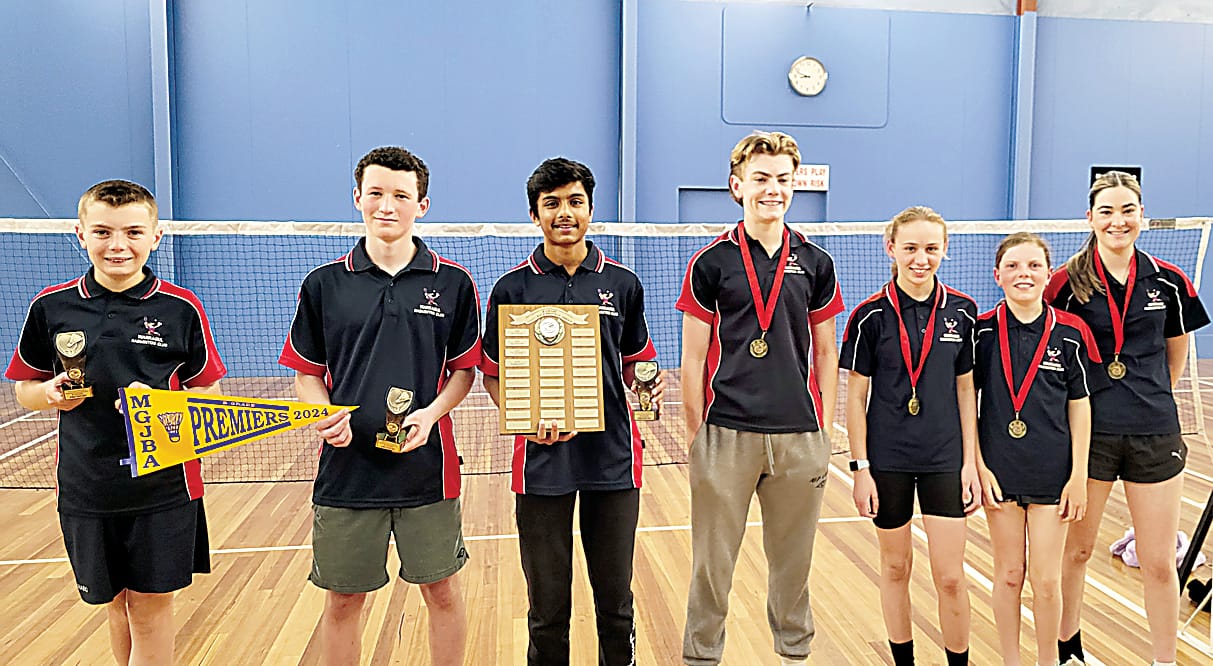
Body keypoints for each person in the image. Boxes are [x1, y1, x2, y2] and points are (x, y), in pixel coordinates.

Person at [6, 179, 226, 665]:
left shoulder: (180, 307)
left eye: (132, 232)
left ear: (156, 236)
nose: (118, 245)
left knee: (149, 610)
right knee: (117, 608)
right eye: (103, 232)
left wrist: (165, 404)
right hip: (87, 486)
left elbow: (207, 392)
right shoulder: (51, 307)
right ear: (80, 234)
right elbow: (24, 388)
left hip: (163, 486)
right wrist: (48, 394)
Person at [278, 147, 480, 666]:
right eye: (376, 193)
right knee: (344, 599)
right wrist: (322, 415)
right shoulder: (325, 284)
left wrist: (431, 416)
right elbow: (306, 375)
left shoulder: (453, 283)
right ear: (357, 199)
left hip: (426, 471)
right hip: (347, 473)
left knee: (442, 593)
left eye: (400, 195)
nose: (386, 205)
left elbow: (464, 372)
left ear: (423, 205)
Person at [480, 157, 660, 666]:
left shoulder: (623, 284)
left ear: (590, 209)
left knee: (615, 603)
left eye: (575, 201)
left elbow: (636, 362)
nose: (565, 213)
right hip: (541, 464)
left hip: (612, 462)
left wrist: (648, 387)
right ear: (535, 215)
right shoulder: (511, 290)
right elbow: (492, 373)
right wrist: (525, 416)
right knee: (547, 607)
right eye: (552, 204)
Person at [678, 131, 843, 666]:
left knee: (793, 565)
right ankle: (702, 656)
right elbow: (693, 357)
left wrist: (825, 428)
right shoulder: (711, 262)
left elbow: (824, 353)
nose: (772, 190)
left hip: (799, 436)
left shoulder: (816, 262)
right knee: (711, 565)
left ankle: (794, 653)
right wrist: (696, 436)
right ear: (737, 186)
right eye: (761, 179)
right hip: (726, 434)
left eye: (782, 180)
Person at [1045, 171, 1210, 666]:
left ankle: (1164, 659)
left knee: (1160, 562)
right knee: (1076, 551)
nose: (1118, 221)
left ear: (1141, 215)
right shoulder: (1066, 282)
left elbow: (1176, 355)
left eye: (1127, 211)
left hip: (1154, 432)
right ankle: (1067, 646)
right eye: (1107, 212)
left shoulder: (1169, 281)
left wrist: (1149, 396)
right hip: (1087, 435)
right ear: (1090, 219)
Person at [840, 205, 980, 665]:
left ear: (944, 250)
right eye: (912, 248)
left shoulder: (963, 311)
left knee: (951, 577)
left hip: (944, 460)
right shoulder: (869, 317)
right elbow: (855, 399)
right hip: (888, 462)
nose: (921, 258)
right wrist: (860, 469)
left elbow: (965, 392)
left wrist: (970, 464)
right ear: (892, 249)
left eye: (931, 248)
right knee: (896, 566)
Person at [973, 232, 1101, 666]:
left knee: (1047, 581)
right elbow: (962, 402)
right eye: (1012, 266)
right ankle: (1011, 661)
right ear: (997, 276)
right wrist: (978, 466)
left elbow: (1080, 406)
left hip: (1054, 474)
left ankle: (1049, 660)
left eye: (1032, 266)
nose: (1023, 274)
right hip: (999, 471)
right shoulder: (982, 332)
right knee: (1009, 575)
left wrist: (1079, 475)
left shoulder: (1070, 332)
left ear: (1049, 275)